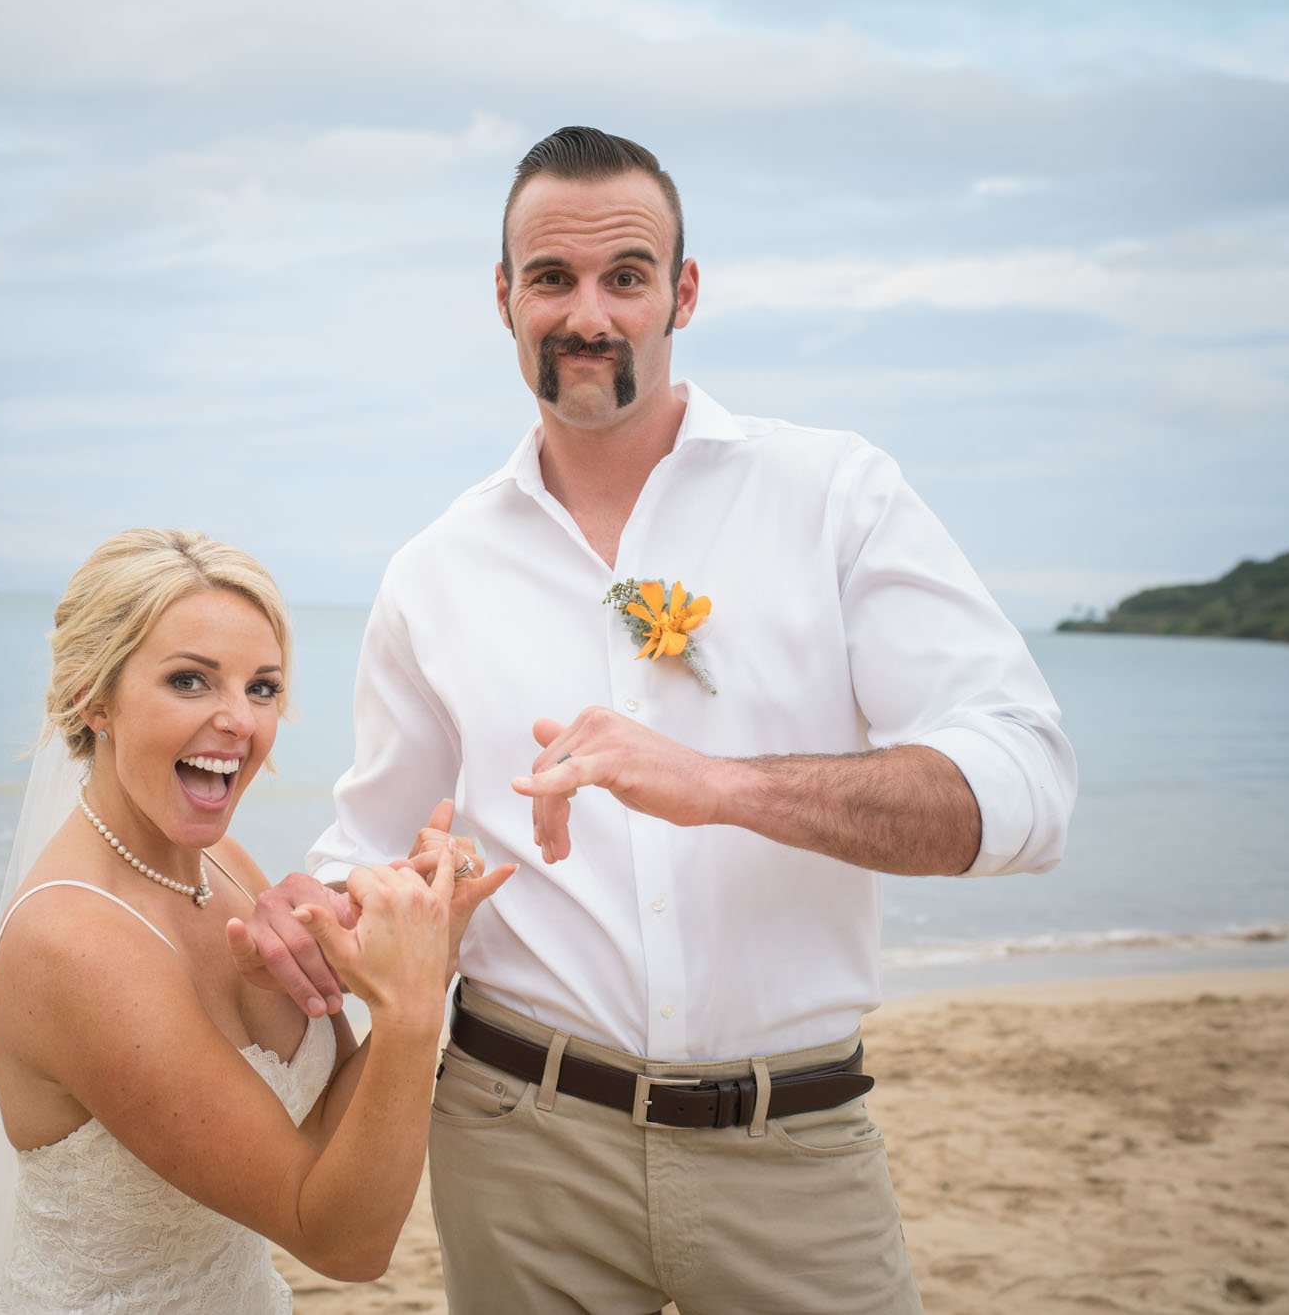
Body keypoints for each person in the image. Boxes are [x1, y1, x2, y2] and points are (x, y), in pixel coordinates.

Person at [237, 128, 1078, 1313]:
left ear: (682, 293)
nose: (587, 314)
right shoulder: (433, 570)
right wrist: (312, 909)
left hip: (793, 1144)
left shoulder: (833, 495)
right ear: (502, 296)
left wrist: (724, 784)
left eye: (624, 276)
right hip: (514, 1142)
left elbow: (1026, 790)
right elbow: (376, 845)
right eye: (551, 278)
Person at [0, 528, 511, 1312]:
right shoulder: (74, 945)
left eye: (262, 688)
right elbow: (344, 1242)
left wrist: (432, 946)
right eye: (190, 681)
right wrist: (408, 1012)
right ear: (93, 698)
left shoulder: (222, 863)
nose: (240, 721)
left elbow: (328, 1132)